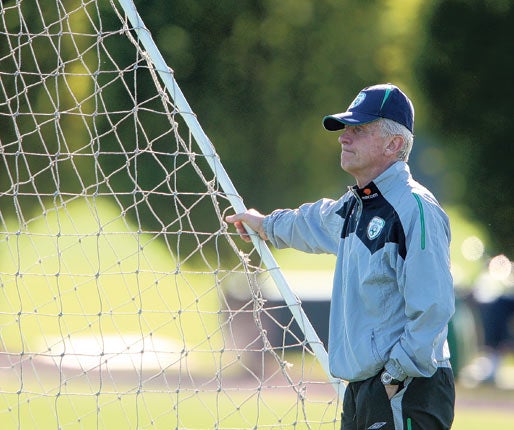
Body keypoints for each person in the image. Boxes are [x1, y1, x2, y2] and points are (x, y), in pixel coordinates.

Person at [226, 84, 456, 429]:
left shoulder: (416, 209)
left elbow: (433, 308)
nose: (343, 138)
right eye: (346, 129)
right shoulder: (358, 204)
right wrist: (265, 224)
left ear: (394, 144)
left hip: (408, 388)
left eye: (359, 130)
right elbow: (315, 221)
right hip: (367, 388)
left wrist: (393, 376)